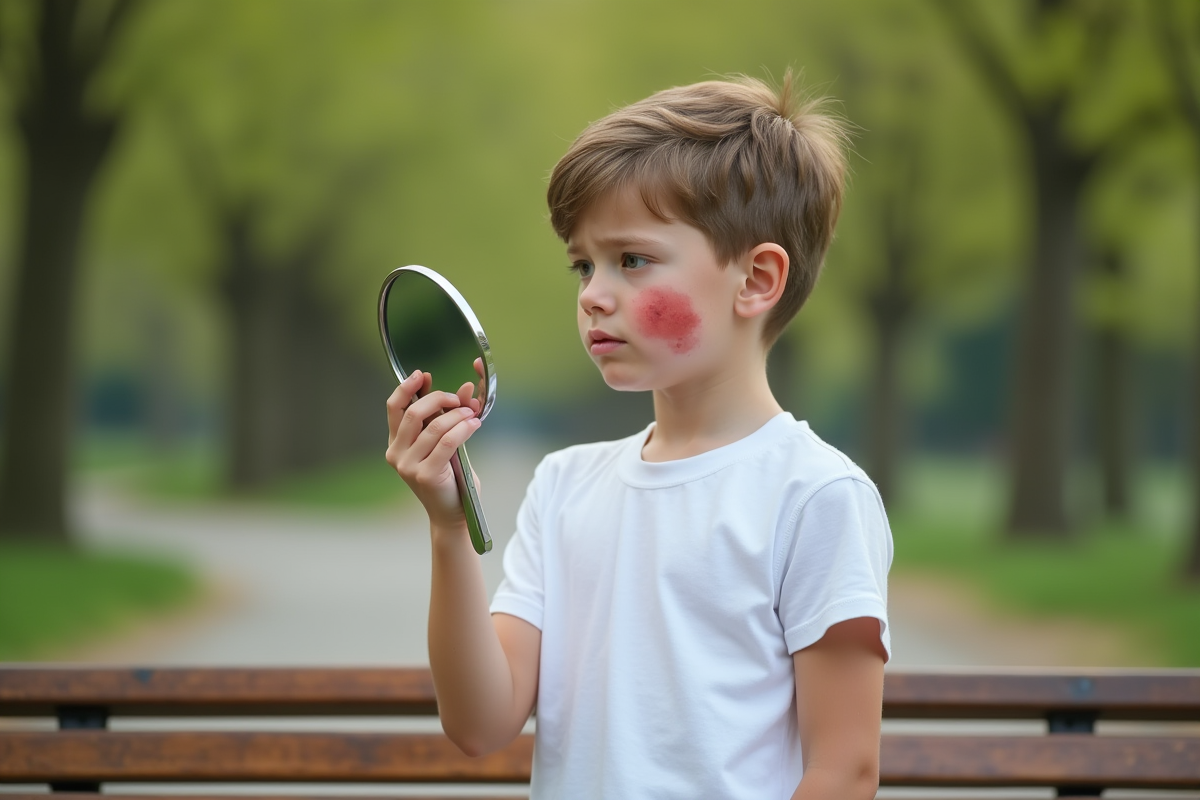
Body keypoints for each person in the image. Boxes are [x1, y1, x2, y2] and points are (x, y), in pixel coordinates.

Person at [385, 71, 892, 800]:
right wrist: (446, 523)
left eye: (632, 260)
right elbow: (480, 721)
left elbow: (844, 769)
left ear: (756, 279)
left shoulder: (816, 496)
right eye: (582, 264)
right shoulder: (564, 486)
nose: (593, 292)